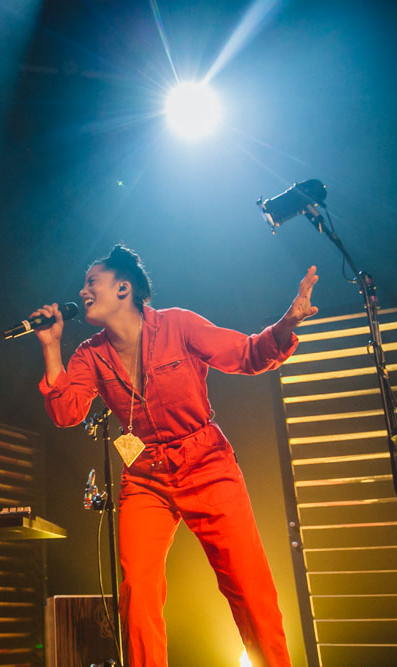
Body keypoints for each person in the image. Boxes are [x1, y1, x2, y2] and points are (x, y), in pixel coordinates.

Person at [32, 245, 318, 667]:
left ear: (124, 287)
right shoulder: (90, 353)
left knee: (248, 586)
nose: (83, 290)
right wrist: (51, 347)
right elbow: (66, 412)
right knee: (138, 592)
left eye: (92, 281)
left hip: (207, 465)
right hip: (146, 477)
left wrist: (286, 324)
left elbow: (247, 355)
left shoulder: (179, 325)